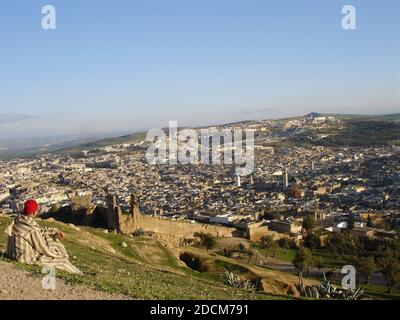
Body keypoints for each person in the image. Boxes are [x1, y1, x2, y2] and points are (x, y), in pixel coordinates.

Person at [5, 199, 82, 274]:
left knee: (47, 236)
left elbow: (39, 231)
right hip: (24, 257)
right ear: (34, 212)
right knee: (62, 261)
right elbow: (42, 248)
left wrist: (53, 231)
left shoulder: (19, 219)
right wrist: (56, 255)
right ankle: (78, 273)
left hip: (12, 253)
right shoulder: (32, 229)